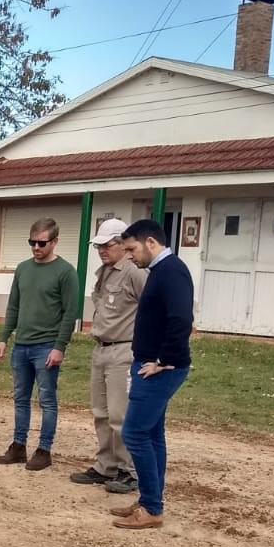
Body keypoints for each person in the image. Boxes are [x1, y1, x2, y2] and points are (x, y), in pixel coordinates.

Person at [109, 219, 193, 529]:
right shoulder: (161, 271)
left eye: (132, 249)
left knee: (134, 433)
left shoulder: (171, 271)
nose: (129, 255)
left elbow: (182, 318)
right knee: (153, 433)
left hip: (157, 370)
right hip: (150, 365)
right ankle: (149, 499)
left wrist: (164, 359)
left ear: (151, 243)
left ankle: (152, 508)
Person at [0, 218, 80, 471]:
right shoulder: (22, 269)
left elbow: (69, 312)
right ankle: (18, 446)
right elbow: (13, 306)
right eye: (32, 242)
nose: (36, 247)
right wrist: (4, 337)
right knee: (20, 398)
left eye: (42, 243)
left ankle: (44, 450)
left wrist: (59, 346)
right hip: (21, 346)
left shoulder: (66, 272)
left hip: (46, 346)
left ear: (54, 242)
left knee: (47, 399)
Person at [69, 218, 146, 495]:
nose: (102, 250)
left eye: (107, 245)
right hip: (101, 348)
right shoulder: (105, 272)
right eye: (98, 246)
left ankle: (129, 470)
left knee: (119, 414)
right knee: (100, 412)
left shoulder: (135, 273)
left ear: (123, 245)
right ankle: (106, 465)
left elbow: (154, 307)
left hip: (124, 349)